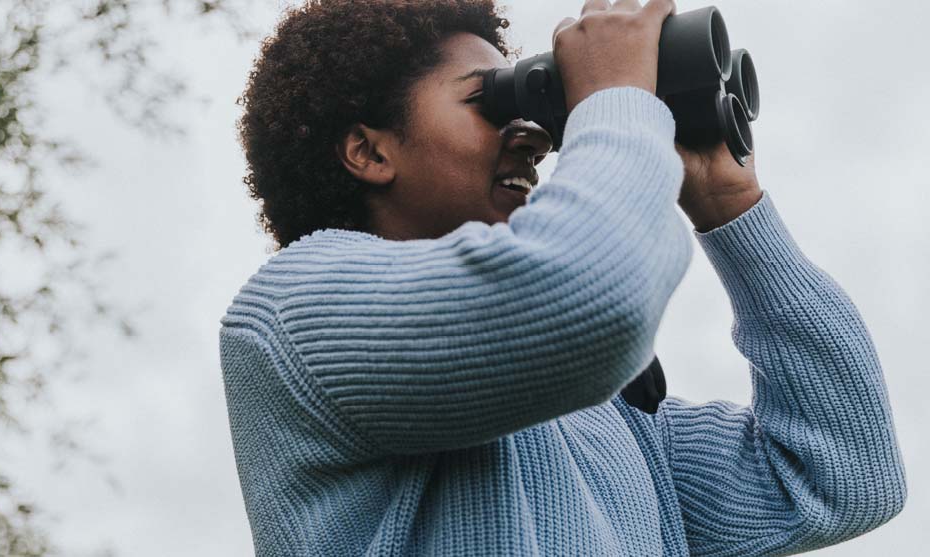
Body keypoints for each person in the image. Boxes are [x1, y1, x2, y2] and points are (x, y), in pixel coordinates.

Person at [219, 0, 907, 555]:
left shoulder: (621, 425)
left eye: (534, 107)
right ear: (369, 150)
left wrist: (731, 211)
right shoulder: (295, 315)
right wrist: (614, 100)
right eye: (491, 103)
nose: (535, 135)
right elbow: (592, 298)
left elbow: (842, 478)